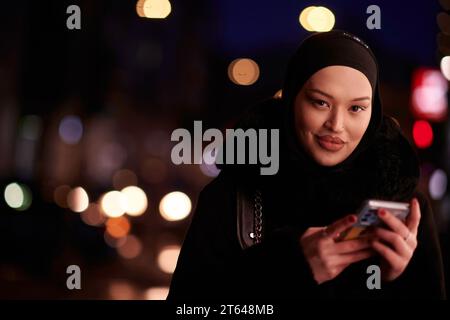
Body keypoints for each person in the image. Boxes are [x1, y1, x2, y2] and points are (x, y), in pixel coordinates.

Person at [166, 30, 446, 300]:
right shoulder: (233, 198)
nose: (336, 125)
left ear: (373, 114)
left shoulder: (402, 210)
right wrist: (289, 270)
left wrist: (397, 279)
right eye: (320, 102)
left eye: (356, 108)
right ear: (291, 99)